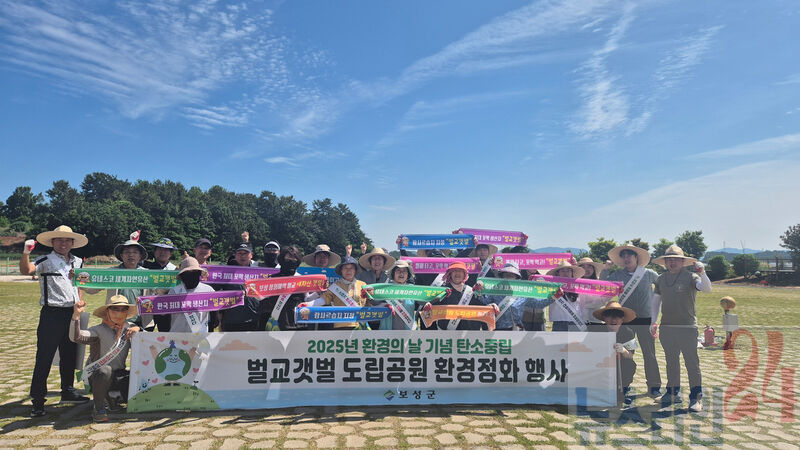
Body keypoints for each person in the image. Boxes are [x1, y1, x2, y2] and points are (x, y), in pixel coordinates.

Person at [19, 225, 90, 417]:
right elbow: (26, 270)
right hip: (52, 314)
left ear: (73, 243)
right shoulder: (45, 260)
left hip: (72, 314)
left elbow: (80, 284)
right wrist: (26, 252)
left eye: (67, 240)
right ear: (52, 242)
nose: (63, 243)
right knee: (44, 357)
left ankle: (67, 390)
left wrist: (79, 301)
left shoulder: (78, 261)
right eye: (59, 239)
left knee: (70, 355)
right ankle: (38, 400)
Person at [650, 245, 712, 412]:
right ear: (665, 262)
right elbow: (656, 302)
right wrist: (653, 322)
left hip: (687, 327)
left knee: (692, 363)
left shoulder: (691, 277)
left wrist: (702, 273)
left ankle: (696, 397)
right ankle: (672, 393)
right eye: (669, 260)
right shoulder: (661, 279)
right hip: (667, 327)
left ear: (683, 262)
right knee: (671, 362)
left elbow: (706, 289)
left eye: (676, 259)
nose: (672, 262)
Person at [602, 244, 662, 397]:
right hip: (626, 321)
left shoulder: (648, 273)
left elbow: (663, 286)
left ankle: (654, 386)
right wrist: (605, 270)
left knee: (649, 354)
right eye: (624, 256)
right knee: (625, 353)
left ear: (636, 257)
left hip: (645, 320)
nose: (627, 258)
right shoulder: (617, 275)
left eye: (630, 255)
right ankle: (623, 384)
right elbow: (602, 287)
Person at [70, 295, 140, 422]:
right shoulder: (97, 330)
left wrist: (138, 329)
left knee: (138, 378)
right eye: (115, 309)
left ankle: (112, 398)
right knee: (105, 371)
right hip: (98, 375)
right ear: (107, 311)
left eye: (123, 309)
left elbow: (146, 342)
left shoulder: (129, 328)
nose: (119, 313)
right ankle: (99, 408)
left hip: (119, 375)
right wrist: (76, 316)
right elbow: (77, 337)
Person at [478, 262, 556, 331]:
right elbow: (484, 301)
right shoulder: (494, 289)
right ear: (502, 276)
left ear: (516, 277)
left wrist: (554, 297)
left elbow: (538, 304)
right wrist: (479, 292)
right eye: (506, 275)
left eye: (512, 275)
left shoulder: (522, 292)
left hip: (516, 330)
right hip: (497, 330)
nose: (509, 277)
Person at [422, 262, 497, 330]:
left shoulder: (471, 291)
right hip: (447, 334)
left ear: (464, 275)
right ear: (450, 274)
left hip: (468, 335)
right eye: (455, 271)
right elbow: (430, 308)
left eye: (460, 271)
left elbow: (482, 306)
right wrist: (428, 305)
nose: (457, 273)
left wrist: (491, 306)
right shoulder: (442, 290)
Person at [301, 256, 368, 330]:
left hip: (359, 325)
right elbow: (323, 300)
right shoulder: (335, 286)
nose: (348, 271)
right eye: (345, 268)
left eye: (351, 268)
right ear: (341, 270)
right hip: (340, 325)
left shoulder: (363, 285)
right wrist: (307, 305)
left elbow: (370, 302)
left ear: (355, 270)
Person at [592, 301, 638, 406]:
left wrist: (623, 350)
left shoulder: (629, 332)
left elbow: (631, 355)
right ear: (604, 318)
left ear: (622, 319)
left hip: (620, 364)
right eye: (609, 316)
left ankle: (621, 392)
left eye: (617, 316)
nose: (613, 320)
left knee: (630, 364)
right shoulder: (596, 331)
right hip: (601, 365)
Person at [259, 245, 308, 331]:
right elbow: (260, 297)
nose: (291, 261)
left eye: (294, 259)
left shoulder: (302, 280)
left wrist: (318, 293)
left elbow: (307, 299)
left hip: (298, 324)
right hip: (276, 324)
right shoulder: (272, 279)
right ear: (282, 259)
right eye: (288, 259)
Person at [219, 243, 261, 331]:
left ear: (251, 255)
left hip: (253, 319)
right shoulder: (225, 273)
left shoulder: (259, 273)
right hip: (231, 321)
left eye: (245, 253)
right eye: (239, 253)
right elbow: (218, 294)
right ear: (235, 255)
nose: (243, 256)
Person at [168, 257, 216, 332]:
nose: (191, 276)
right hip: (177, 334)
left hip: (200, 335)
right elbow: (167, 315)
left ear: (199, 273)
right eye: (187, 273)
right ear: (182, 276)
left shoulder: (208, 290)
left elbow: (214, 314)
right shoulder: (174, 291)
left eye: (194, 272)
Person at [144, 237, 178, 332]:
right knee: (145, 335)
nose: (162, 252)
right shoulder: (145, 267)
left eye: (166, 250)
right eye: (159, 249)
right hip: (147, 307)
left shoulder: (175, 270)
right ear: (155, 251)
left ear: (171, 253)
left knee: (167, 336)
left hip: (167, 310)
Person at [375, 259, 418, 330]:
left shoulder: (413, 289)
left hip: (408, 331)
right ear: (393, 273)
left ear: (408, 274)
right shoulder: (386, 288)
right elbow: (375, 302)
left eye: (404, 271)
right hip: (388, 331)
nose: (401, 273)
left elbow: (421, 302)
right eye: (398, 270)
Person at [545, 261, 585, 331]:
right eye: (562, 271)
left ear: (572, 273)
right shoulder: (551, 286)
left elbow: (583, 304)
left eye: (568, 271)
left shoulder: (578, 286)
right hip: (559, 322)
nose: (565, 273)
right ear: (558, 273)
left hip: (575, 322)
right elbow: (545, 301)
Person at [576, 257, 608, 328]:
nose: (586, 269)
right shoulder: (574, 284)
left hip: (596, 318)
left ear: (593, 269)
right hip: (578, 319)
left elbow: (603, 300)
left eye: (589, 267)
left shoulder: (600, 283)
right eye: (583, 267)